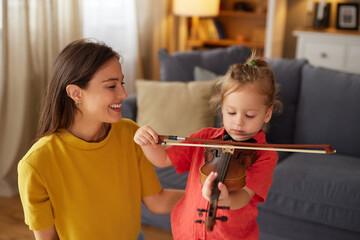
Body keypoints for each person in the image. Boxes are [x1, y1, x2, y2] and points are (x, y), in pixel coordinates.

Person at [18, 39, 184, 240]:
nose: (123, 93)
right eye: (112, 86)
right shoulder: (36, 163)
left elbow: (157, 201)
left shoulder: (130, 135)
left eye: (121, 83)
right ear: (75, 93)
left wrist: (209, 194)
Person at [134, 53, 282, 240]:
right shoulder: (204, 138)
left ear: (267, 114)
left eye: (250, 115)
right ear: (222, 107)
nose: (238, 122)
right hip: (188, 231)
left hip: (231, 236)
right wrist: (146, 142)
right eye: (231, 112)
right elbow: (162, 159)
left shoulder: (265, 156)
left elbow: (245, 195)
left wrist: (226, 199)